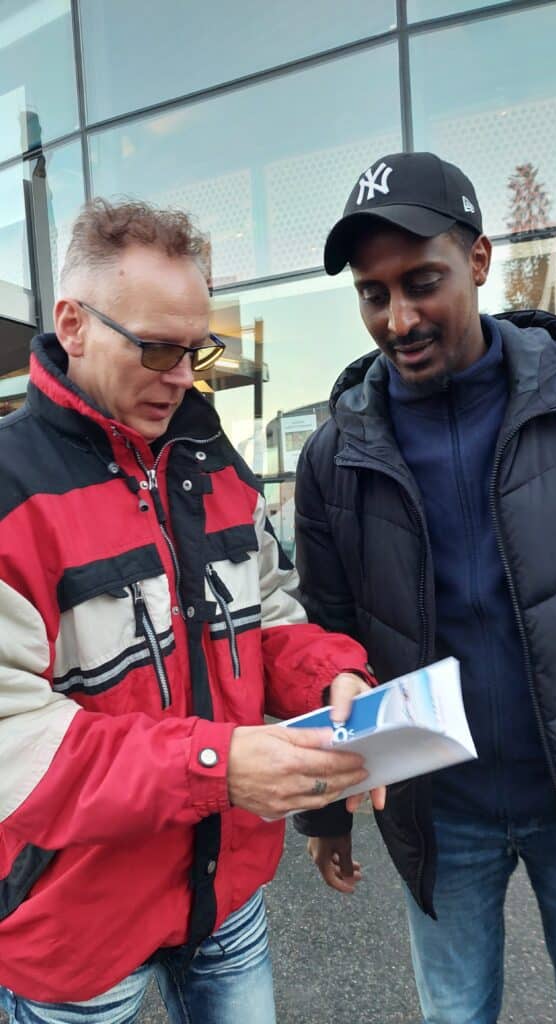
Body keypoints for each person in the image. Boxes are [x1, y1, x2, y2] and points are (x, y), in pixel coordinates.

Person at [0, 198, 384, 1024]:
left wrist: (333, 674)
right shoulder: (8, 492)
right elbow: (12, 742)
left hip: (226, 898)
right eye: (158, 348)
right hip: (75, 930)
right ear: (71, 322)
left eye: (196, 349)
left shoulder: (214, 464)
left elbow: (270, 615)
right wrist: (216, 767)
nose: (183, 376)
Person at [293, 151, 556, 1024]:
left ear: (479, 260)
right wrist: (327, 814)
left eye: (422, 281)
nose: (398, 317)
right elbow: (328, 634)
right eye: (373, 295)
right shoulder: (334, 456)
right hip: (440, 810)